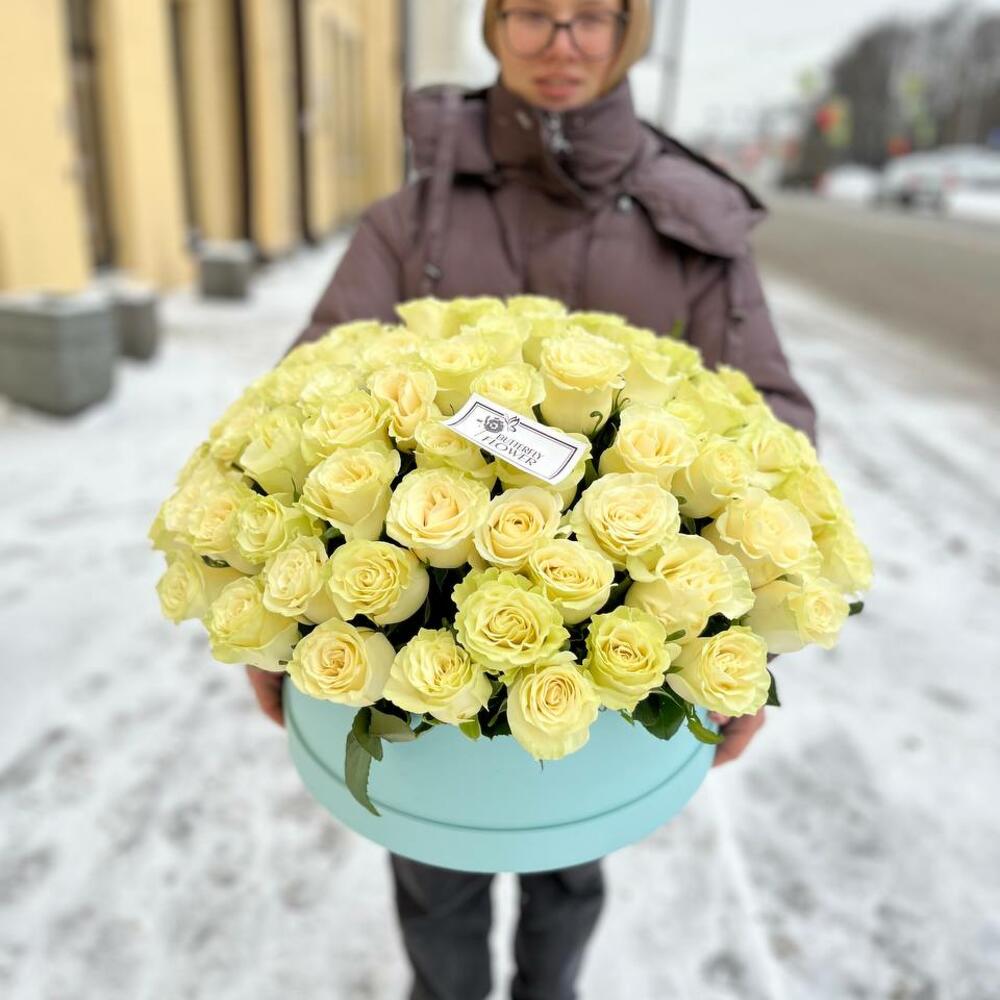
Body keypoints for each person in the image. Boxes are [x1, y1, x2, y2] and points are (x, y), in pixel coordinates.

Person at [247, 2, 818, 997]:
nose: (562, 44)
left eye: (591, 15)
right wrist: (274, 620)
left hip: (616, 644)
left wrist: (742, 643)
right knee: (433, 867)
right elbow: (307, 392)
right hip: (424, 633)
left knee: (572, 858)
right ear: (492, 24)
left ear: (628, 31)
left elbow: (771, 417)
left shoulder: (693, 221)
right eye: (533, 13)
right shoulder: (413, 216)